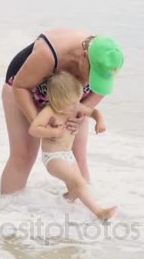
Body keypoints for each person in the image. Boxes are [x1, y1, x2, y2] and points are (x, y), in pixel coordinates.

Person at [0, 28, 124, 195]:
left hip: (70, 98)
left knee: (78, 157)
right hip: (25, 89)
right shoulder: (49, 53)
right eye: (91, 74)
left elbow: (101, 90)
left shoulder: (108, 59)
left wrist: (81, 115)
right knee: (23, 156)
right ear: (84, 56)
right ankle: (8, 211)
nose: (88, 81)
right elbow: (20, 87)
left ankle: (84, 214)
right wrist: (40, 124)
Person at [28, 71, 117, 220]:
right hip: (53, 158)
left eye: (77, 101)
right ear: (57, 102)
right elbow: (33, 129)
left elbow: (93, 111)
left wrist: (99, 121)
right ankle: (99, 212)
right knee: (80, 182)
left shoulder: (75, 106)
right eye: (71, 104)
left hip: (68, 156)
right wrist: (52, 132)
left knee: (75, 190)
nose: (76, 106)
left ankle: (59, 206)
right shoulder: (49, 111)